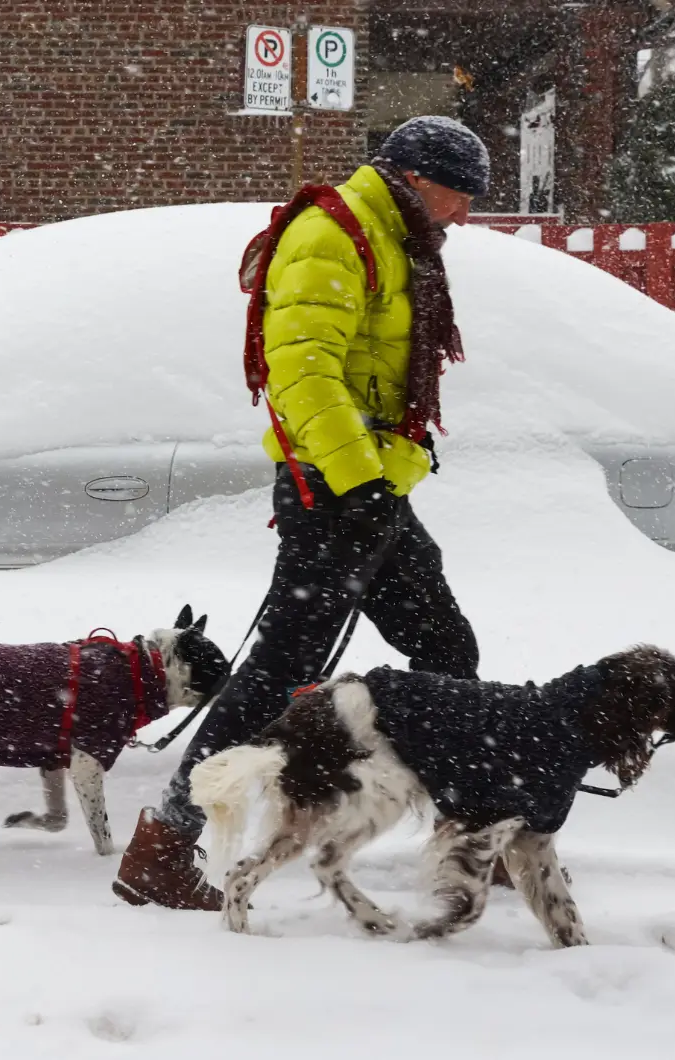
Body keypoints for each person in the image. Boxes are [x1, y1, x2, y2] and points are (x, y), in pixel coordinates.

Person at [113, 116, 491, 911]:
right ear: (417, 180)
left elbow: (369, 371)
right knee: (280, 676)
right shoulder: (333, 234)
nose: (463, 214)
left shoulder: (396, 240)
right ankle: (166, 841)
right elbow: (304, 373)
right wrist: (358, 482)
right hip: (335, 493)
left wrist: (382, 478)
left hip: (373, 490)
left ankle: (468, 833)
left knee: (447, 649)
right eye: (459, 196)